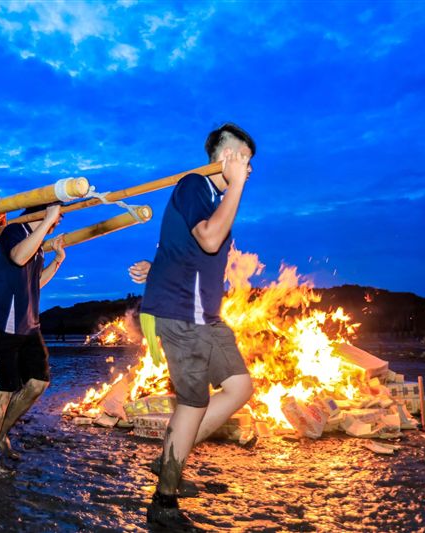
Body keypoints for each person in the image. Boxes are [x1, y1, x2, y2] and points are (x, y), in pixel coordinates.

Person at [130, 123, 256, 529]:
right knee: (194, 402)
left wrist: (156, 269)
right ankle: (164, 501)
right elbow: (207, 239)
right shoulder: (194, 185)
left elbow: (180, 248)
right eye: (245, 161)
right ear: (227, 157)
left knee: (240, 386)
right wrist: (234, 187)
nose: (249, 170)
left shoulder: (210, 196)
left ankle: (171, 455)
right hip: (184, 315)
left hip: (206, 315)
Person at [0, 204, 65, 478]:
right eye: (58, 215)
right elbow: (17, 257)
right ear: (44, 210)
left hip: (28, 325)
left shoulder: (36, 242)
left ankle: (2, 433)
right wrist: (46, 221)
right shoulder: (15, 231)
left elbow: (35, 283)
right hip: (2, 323)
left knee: (38, 383)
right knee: (2, 391)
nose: (58, 222)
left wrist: (57, 260)